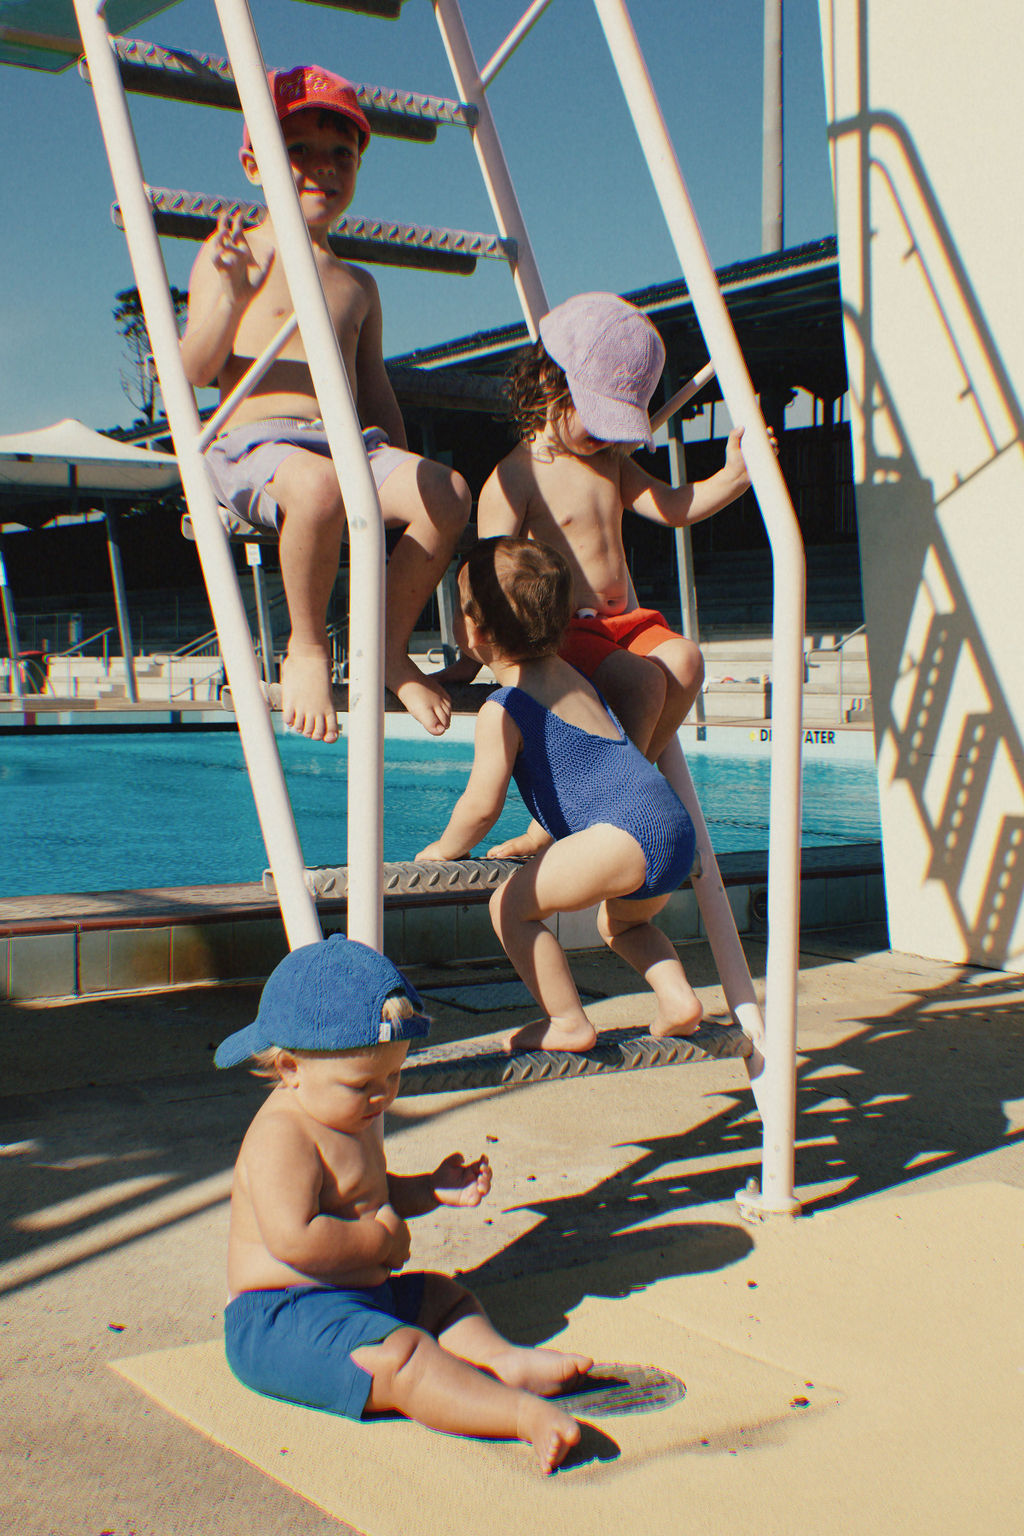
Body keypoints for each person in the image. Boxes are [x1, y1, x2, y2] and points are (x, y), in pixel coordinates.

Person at [215, 934, 592, 1473]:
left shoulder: (348, 1112)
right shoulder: (283, 1137)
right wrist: (379, 1240)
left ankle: (499, 1360)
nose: (382, 1095)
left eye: (393, 1075)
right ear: (292, 1069)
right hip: (281, 1317)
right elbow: (295, 1238)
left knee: (443, 1298)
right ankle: (517, 1415)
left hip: (357, 1297)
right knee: (403, 1357)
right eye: (362, 1083)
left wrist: (429, 1190)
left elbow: (368, 1191)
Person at [181, 65, 470, 744]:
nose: (322, 168)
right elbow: (194, 369)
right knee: (314, 489)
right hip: (256, 446)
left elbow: (375, 393)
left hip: (351, 446)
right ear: (255, 166)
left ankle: (387, 647)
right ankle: (307, 646)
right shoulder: (235, 255)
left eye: (341, 154)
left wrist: (406, 473)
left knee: (449, 490)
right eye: (299, 150)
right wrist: (226, 294)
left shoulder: (357, 284)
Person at [475, 291, 771, 859]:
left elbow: (670, 505)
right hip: (565, 634)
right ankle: (594, 808)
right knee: (643, 683)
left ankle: (620, 793)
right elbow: (489, 572)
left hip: (625, 623)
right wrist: (481, 652)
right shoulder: (515, 479)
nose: (608, 437)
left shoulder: (610, 461)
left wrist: (735, 478)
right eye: (599, 420)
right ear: (551, 386)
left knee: (684, 660)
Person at [416, 537, 702, 1054]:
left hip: (623, 835)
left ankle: (567, 1021)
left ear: (472, 629)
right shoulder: (574, 679)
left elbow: (481, 806)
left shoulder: (504, 707)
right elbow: (581, 768)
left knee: (509, 907)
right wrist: (538, 834)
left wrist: (443, 850)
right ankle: (678, 999)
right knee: (623, 924)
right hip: (672, 826)